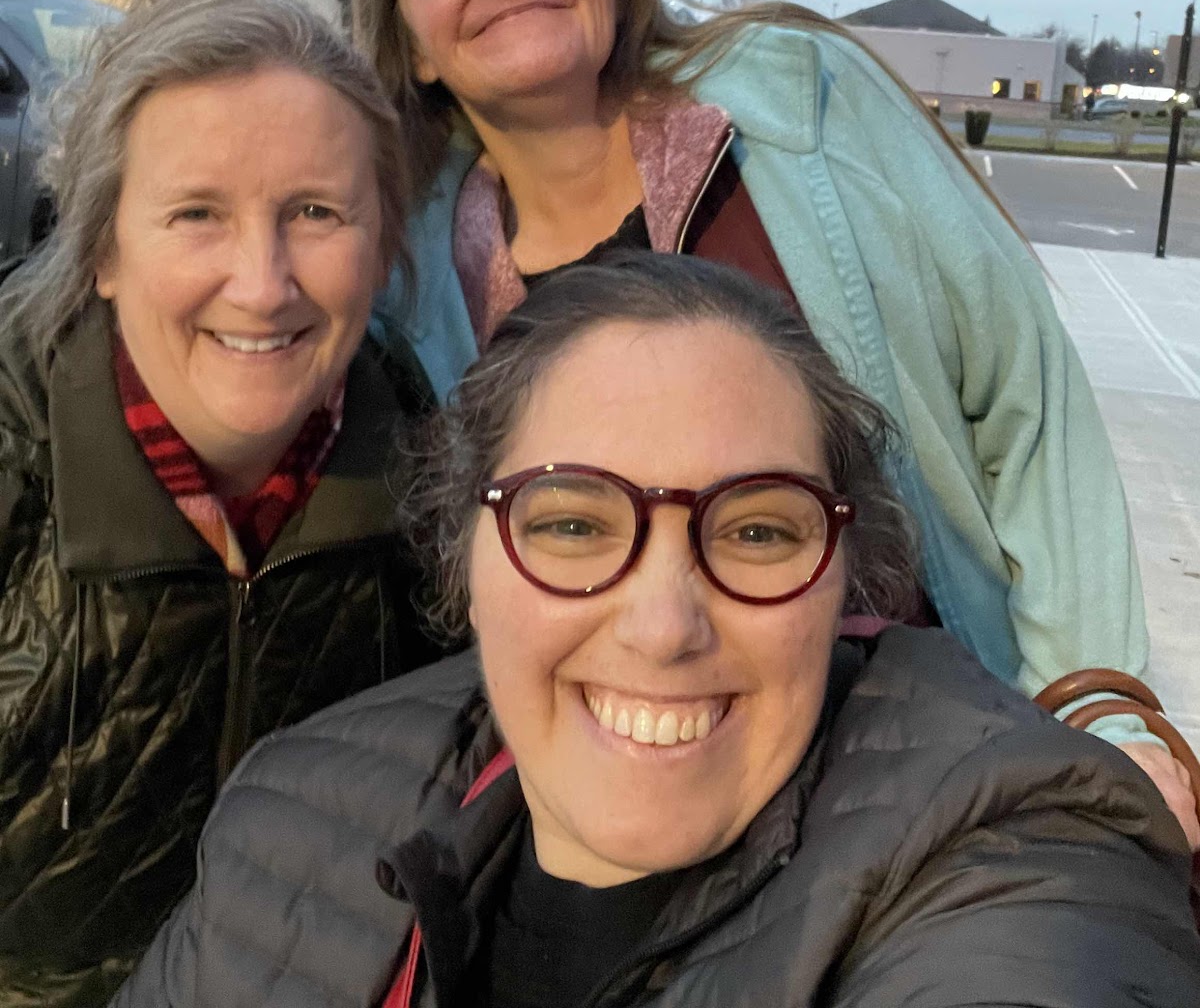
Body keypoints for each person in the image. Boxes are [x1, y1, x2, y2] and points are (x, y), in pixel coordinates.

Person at [349, 0, 1197, 845]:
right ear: (410, 37)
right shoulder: (412, 278)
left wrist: (1095, 703)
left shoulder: (804, 103)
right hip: (660, 779)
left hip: (945, 755)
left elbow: (1024, 390)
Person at [114, 254, 1200, 1008]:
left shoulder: (1015, 846)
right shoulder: (290, 809)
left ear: (844, 579)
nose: (665, 623)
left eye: (758, 530)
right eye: (574, 523)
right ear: (465, 554)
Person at [0, 0, 441, 1008]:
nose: (262, 283)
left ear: (383, 241)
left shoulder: (431, 479)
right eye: (197, 212)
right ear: (103, 248)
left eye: (316, 211)